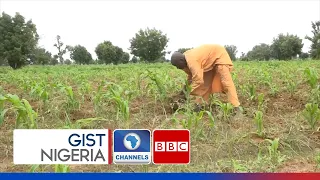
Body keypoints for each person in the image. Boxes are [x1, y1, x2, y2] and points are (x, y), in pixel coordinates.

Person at [170, 44, 241, 113]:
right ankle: (201, 105)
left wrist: (187, 93)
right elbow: (191, 78)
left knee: (226, 82)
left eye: (177, 65)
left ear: (181, 60)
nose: (177, 67)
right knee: (205, 85)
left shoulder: (192, 61)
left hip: (218, 54)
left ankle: (236, 107)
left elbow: (198, 80)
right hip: (208, 62)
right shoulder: (184, 61)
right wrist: (182, 92)